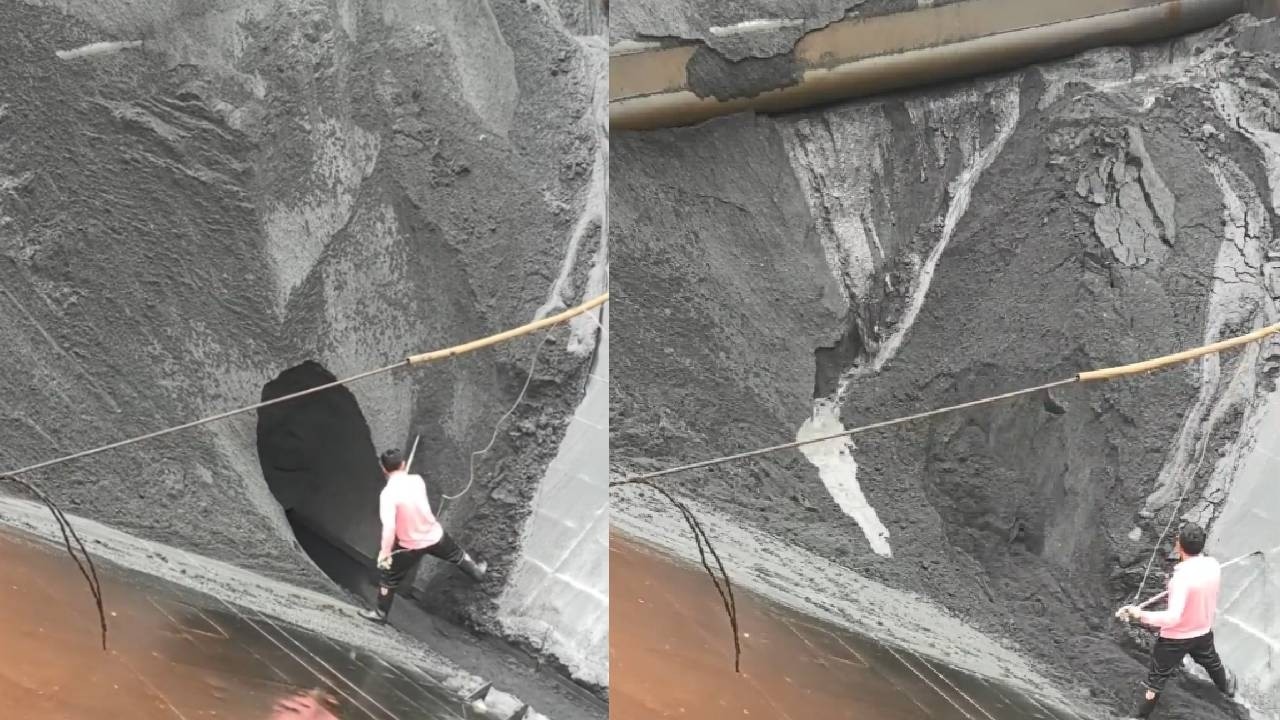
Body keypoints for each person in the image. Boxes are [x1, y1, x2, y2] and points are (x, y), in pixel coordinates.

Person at [1116, 522, 1237, 719]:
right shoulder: (1213, 566)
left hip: (1175, 639)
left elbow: (1172, 618)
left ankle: (1138, 717)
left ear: (1178, 544)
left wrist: (1139, 615)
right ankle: (1228, 688)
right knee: (1212, 663)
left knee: (1156, 679)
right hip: (1202, 631)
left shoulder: (1180, 580)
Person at [358, 448, 487, 624]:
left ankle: (380, 614)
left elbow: (389, 528)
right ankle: (478, 573)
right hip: (435, 536)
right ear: (403, 464)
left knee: (389, 579)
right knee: (458, 555)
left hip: (409, 546)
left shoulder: (388, 495)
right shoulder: (417, 481)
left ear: (383, 469)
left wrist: (385, 552)